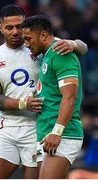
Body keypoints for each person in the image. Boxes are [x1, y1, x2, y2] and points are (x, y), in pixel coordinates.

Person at [0, 4, 88, 179]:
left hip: (37, 126)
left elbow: (82, 48)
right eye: (9, 27)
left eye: (19, 26)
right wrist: (24, 103)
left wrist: (73, 43)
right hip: (8, 127)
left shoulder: (39, 43)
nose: (16, 32)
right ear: (0, 27)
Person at [22, 15, 84, 179]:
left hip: (62, 133)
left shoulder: (61, 53)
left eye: (28, 39)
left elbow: (70, 98)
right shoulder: (46, 56)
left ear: (43, 35)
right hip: (46, 133)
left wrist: (57, 132)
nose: (26, 44)